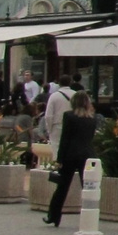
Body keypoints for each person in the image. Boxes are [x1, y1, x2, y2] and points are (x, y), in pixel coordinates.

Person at [45, 91, 97, 227]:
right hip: (87, 155)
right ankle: (90, 215)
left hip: (70, 155)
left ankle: (54, 215)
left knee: (62, 187)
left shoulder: (69, 116)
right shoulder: (92, 119)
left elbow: (65, 138)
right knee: (87, 187)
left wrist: (60, 158)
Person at [44, 75, 75, 147]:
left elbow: (48, 115)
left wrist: (49, 130)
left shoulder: (54, 96)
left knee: (56, 148)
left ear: (59, 83)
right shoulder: (75, 95)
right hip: (73, 125)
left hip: (57, 125)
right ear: (70, 83)